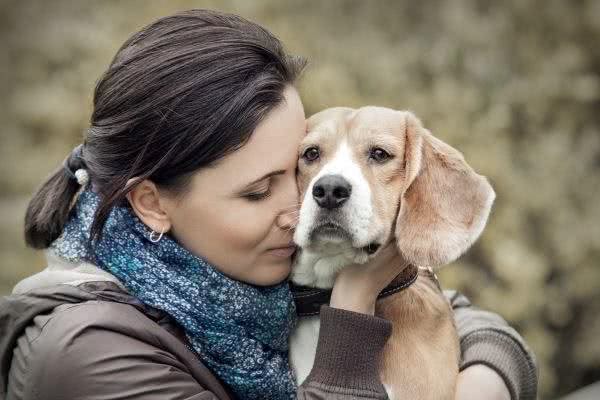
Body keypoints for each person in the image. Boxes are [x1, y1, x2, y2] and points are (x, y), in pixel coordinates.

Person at [0, 9, 537, 400]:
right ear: (152, 204)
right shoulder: (87, 354)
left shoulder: (248, 269)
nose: (296, 208)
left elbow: (467, 320)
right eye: (258, 191)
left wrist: (478, 385)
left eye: (297, 173)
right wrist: (352, 302)